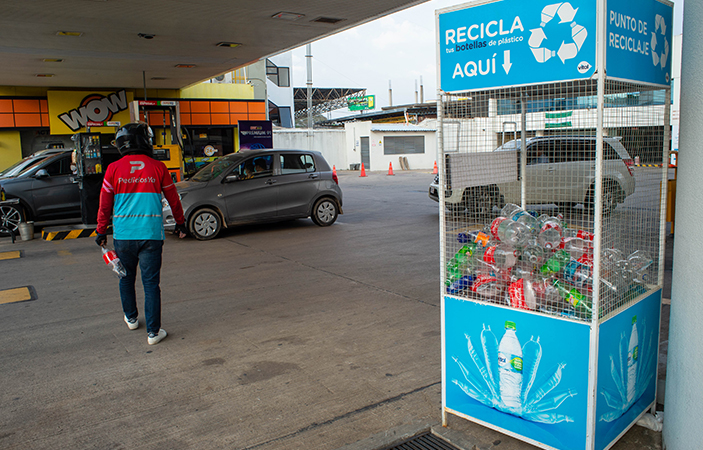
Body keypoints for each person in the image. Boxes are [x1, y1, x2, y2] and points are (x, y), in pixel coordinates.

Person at [95, 122, 187, 345]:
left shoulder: (113, 169)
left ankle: (132, 318)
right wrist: (180, 223)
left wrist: (100, 230)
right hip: (151, 235)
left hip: (124, 236)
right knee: (151, 284)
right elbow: (173, 199)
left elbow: (104, 204)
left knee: (125, 279)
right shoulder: (158, 167)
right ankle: (154, 333)